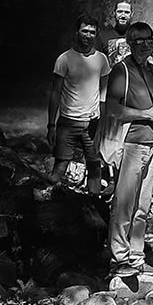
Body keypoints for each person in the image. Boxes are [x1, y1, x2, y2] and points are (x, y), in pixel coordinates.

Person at [105, 22, 153, 283]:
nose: (144, 44)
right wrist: (148, 114)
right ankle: (119, 258)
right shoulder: (121, 71)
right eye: (139, 40)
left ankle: (137, 256)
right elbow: (111, 110)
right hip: (132, 145)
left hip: (152, 145)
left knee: (143, 206)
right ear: (130, 44)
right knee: (124, 204)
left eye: (148, 39)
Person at [47, 15, 109, 195]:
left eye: (92, 32)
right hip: (68, 121)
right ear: (77, 32)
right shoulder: (64, 59)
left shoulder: (102, 60)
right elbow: (55, 93)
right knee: (60, 164)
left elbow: (104, 92)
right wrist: (51, 125)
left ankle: (93, 203)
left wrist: (103, 123)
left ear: (96, 34)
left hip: (92, 123)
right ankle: (47, 201)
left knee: (94, 166)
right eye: (84, 31)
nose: (88, 35)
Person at [96, 0, 133, 66]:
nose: (123, 15)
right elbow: (96, 63)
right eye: (120, 12)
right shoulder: (103, 35)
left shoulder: (138, 34)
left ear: (131, 14)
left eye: (127, 12)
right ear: (114, 13)